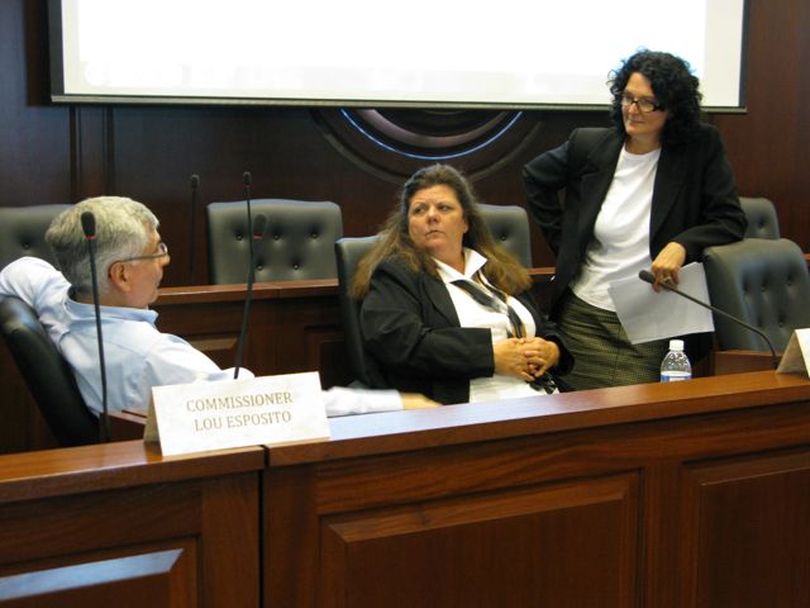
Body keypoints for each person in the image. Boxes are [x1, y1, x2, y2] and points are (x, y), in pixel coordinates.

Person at [0, 196, 437, 418]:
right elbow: (272, 404)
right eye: (157, 251)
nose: (167, 260)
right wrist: (397, 404)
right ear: (121, 275)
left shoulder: (57, 295)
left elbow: (18, 270)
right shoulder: (152, 357)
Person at [522, 50, 747, 390]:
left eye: (647, 103)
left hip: (650, 319)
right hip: (583, 314)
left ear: (673, 109)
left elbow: (729, 219)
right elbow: (534, 177)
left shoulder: (698, 149)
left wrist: (681, 245)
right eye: (628, 97)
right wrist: (569, 245)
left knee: (631, 422)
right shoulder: (590, 145)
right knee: (571, 419)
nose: (632, 110)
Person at [351, 164, 573, 405]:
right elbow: (402, 344)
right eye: (419, 210)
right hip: (469, 407)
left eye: (444, 208)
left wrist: (552, 350)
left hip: (544, 397)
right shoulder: (395, 275)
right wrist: (491, 356)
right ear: (408, 226)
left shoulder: (496, 269)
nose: (431, 216)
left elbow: (542, 323)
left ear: (465, 222)